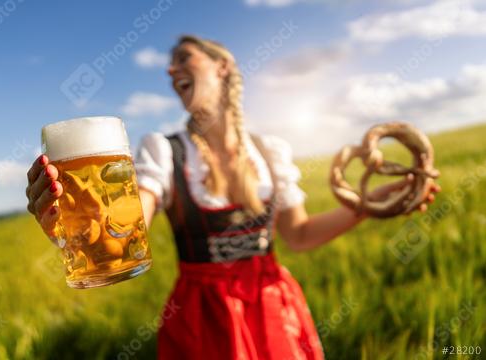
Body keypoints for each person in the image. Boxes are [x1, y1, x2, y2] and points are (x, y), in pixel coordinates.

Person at [26, 35, 441, 360]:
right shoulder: (164, 150)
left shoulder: (269, 150)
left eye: (184, 58)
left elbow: (298, 235)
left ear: (222, 66)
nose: (172, 69)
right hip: (204, 316)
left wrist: (374, 202)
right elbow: (122, 233)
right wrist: (78, 226)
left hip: (273, 304)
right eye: (171, 65)